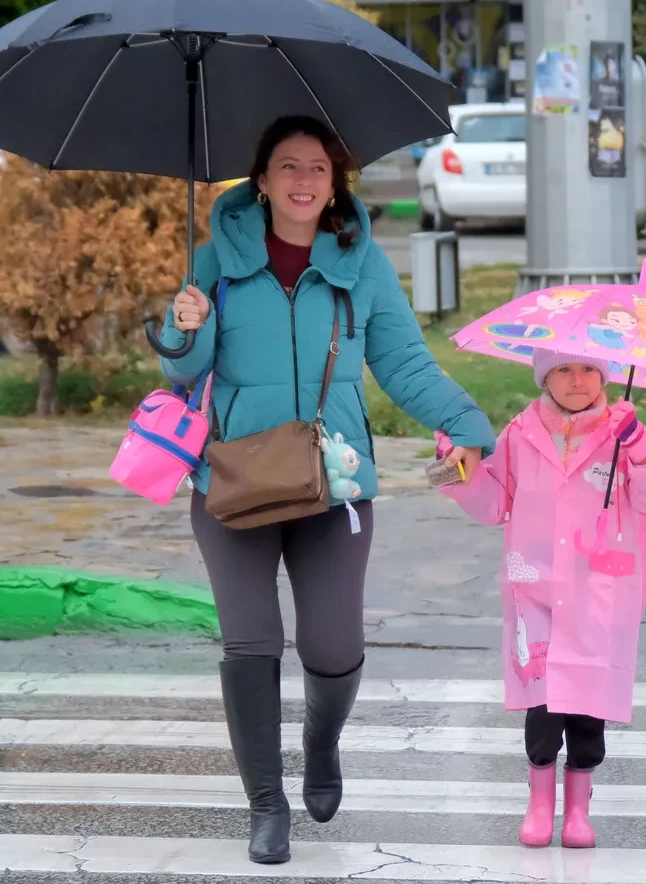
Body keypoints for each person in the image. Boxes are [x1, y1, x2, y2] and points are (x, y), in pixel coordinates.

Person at [159, 115, 495, 865]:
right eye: (287, 166)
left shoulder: (361, 264)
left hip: (333, 481)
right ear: (261, 180)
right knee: (250, 640)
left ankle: (321, 741)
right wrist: (185, 327)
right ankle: (266, 805)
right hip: (233, 481)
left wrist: (467, 423)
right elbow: (180, 371)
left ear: (334, 181)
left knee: (334, 645)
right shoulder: (213, 262)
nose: (303, 180)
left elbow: (404, 364)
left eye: (317, 167)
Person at [437, 348, 646, 849]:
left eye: (589, 369)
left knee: (589, 709)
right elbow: (495, 503)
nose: (577, 380)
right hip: (538, 589)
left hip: (599, 594)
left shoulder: (626, 434)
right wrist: (456, 471)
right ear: (545, 378)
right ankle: (539, 803)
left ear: (605, 376)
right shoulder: (519, 434)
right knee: (544, 704)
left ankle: (577, 810)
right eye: (564, 370)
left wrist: (639, 448)